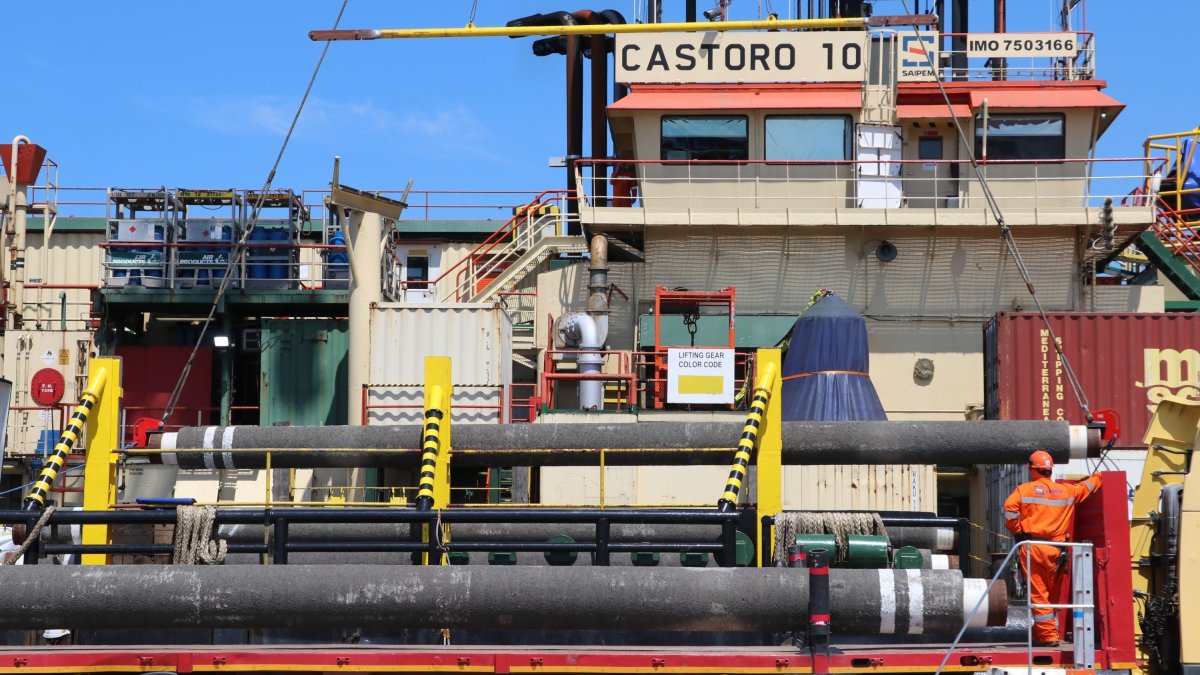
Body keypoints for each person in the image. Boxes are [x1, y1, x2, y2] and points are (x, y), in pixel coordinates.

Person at [1003, 450, 1101, 647]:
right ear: (1050, 470)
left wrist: (1018, 532)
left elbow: (1009, 509)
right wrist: (1098, 476)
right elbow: (1087, 487)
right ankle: (1041, 632)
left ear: (1032, 469)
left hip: (1033, 547)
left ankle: (1048, 636)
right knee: (1052, 595)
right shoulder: (1068, 491)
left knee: (1038, 594)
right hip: (1057, 550)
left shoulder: (1024, 490)